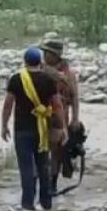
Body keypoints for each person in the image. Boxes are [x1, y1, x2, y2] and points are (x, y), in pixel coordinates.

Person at [1, 47, 67, 211]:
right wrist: (63, 127)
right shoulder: (48, 80)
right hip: (42, 129)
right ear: (40, 62)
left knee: (26, 168)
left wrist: (4, 125)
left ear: (24, 61)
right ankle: (46, 203)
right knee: (43, 165)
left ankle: (27, 204)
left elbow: (8, 104)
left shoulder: (17, 79)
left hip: (22, 129)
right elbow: (57, 105)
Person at [40, 40, 80, 193]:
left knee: (56, 151)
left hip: (59, 117)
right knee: (41, 150)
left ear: (55, 55)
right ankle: (43, 180)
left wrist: (75, 118)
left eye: (47, 53)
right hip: (41, 116)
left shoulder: (68, 75)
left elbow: (74, 97)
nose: (44, 56)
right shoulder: (40, 70)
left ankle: (52, 183)